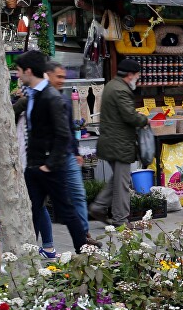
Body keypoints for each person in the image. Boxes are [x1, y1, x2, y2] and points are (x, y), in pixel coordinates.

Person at [15, 49, 89, 256]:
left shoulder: (51, 97)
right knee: (32, 211)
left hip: (49, 166)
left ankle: (84, 252)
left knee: (66, 210)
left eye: (19, 71)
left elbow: (63, 133)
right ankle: (25, 255)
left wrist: (50, 164)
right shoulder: (33, 95)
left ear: (29, 71)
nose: (17, 75)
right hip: (34, 165)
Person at [91, 59, 149, 227]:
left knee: (118, 179)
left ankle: (98, 206)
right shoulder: (121, 90)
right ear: (130, 75)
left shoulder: (111, 85)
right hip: (119, 143)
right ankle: (121, 220)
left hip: (110, 141)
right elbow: (129, 116)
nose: (137, 79)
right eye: (137, 76)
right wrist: (144, 119)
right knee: (122, 183)